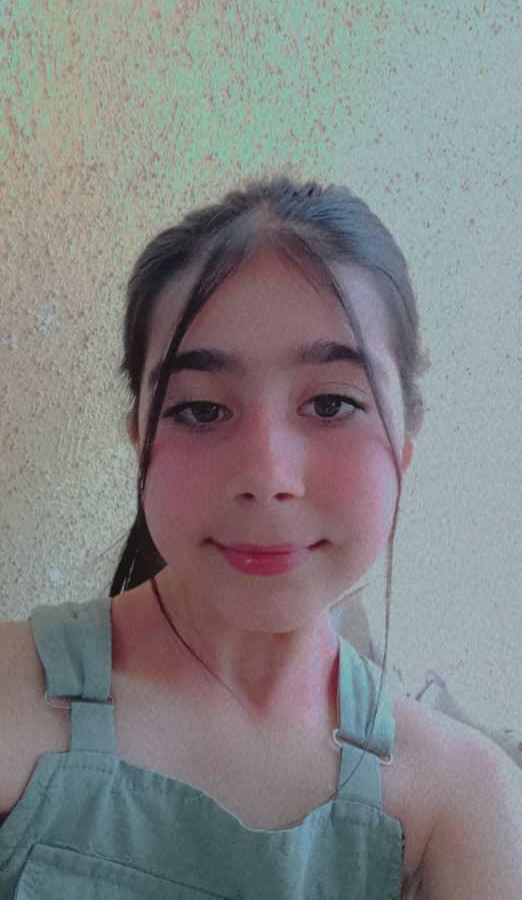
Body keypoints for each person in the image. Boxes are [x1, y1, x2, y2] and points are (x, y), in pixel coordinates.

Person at [1, 174, 521, 898]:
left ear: (405, 446)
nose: (268, 476)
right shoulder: (13, 698)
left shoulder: (462, 799)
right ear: (139, 439)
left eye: (332, 403)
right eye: (202, 410)